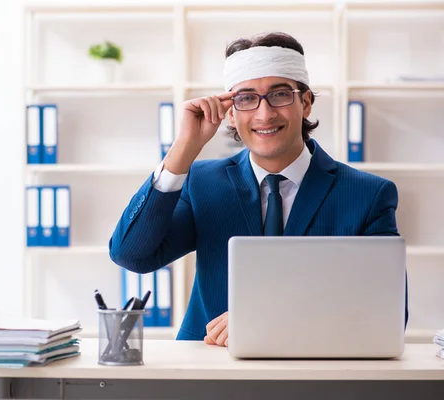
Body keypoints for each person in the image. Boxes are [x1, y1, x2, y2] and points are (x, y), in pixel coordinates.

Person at [109, 32, 408, 347]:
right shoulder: (202, 183)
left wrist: (270, 318)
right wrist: (183, 149)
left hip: (315, 373)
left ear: (305, 103)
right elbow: (131, 255)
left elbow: (387, 312)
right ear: (232, 113)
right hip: (211, 370)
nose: (264, 114)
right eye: (247, 98)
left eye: (280, 95)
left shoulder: (367, 195)